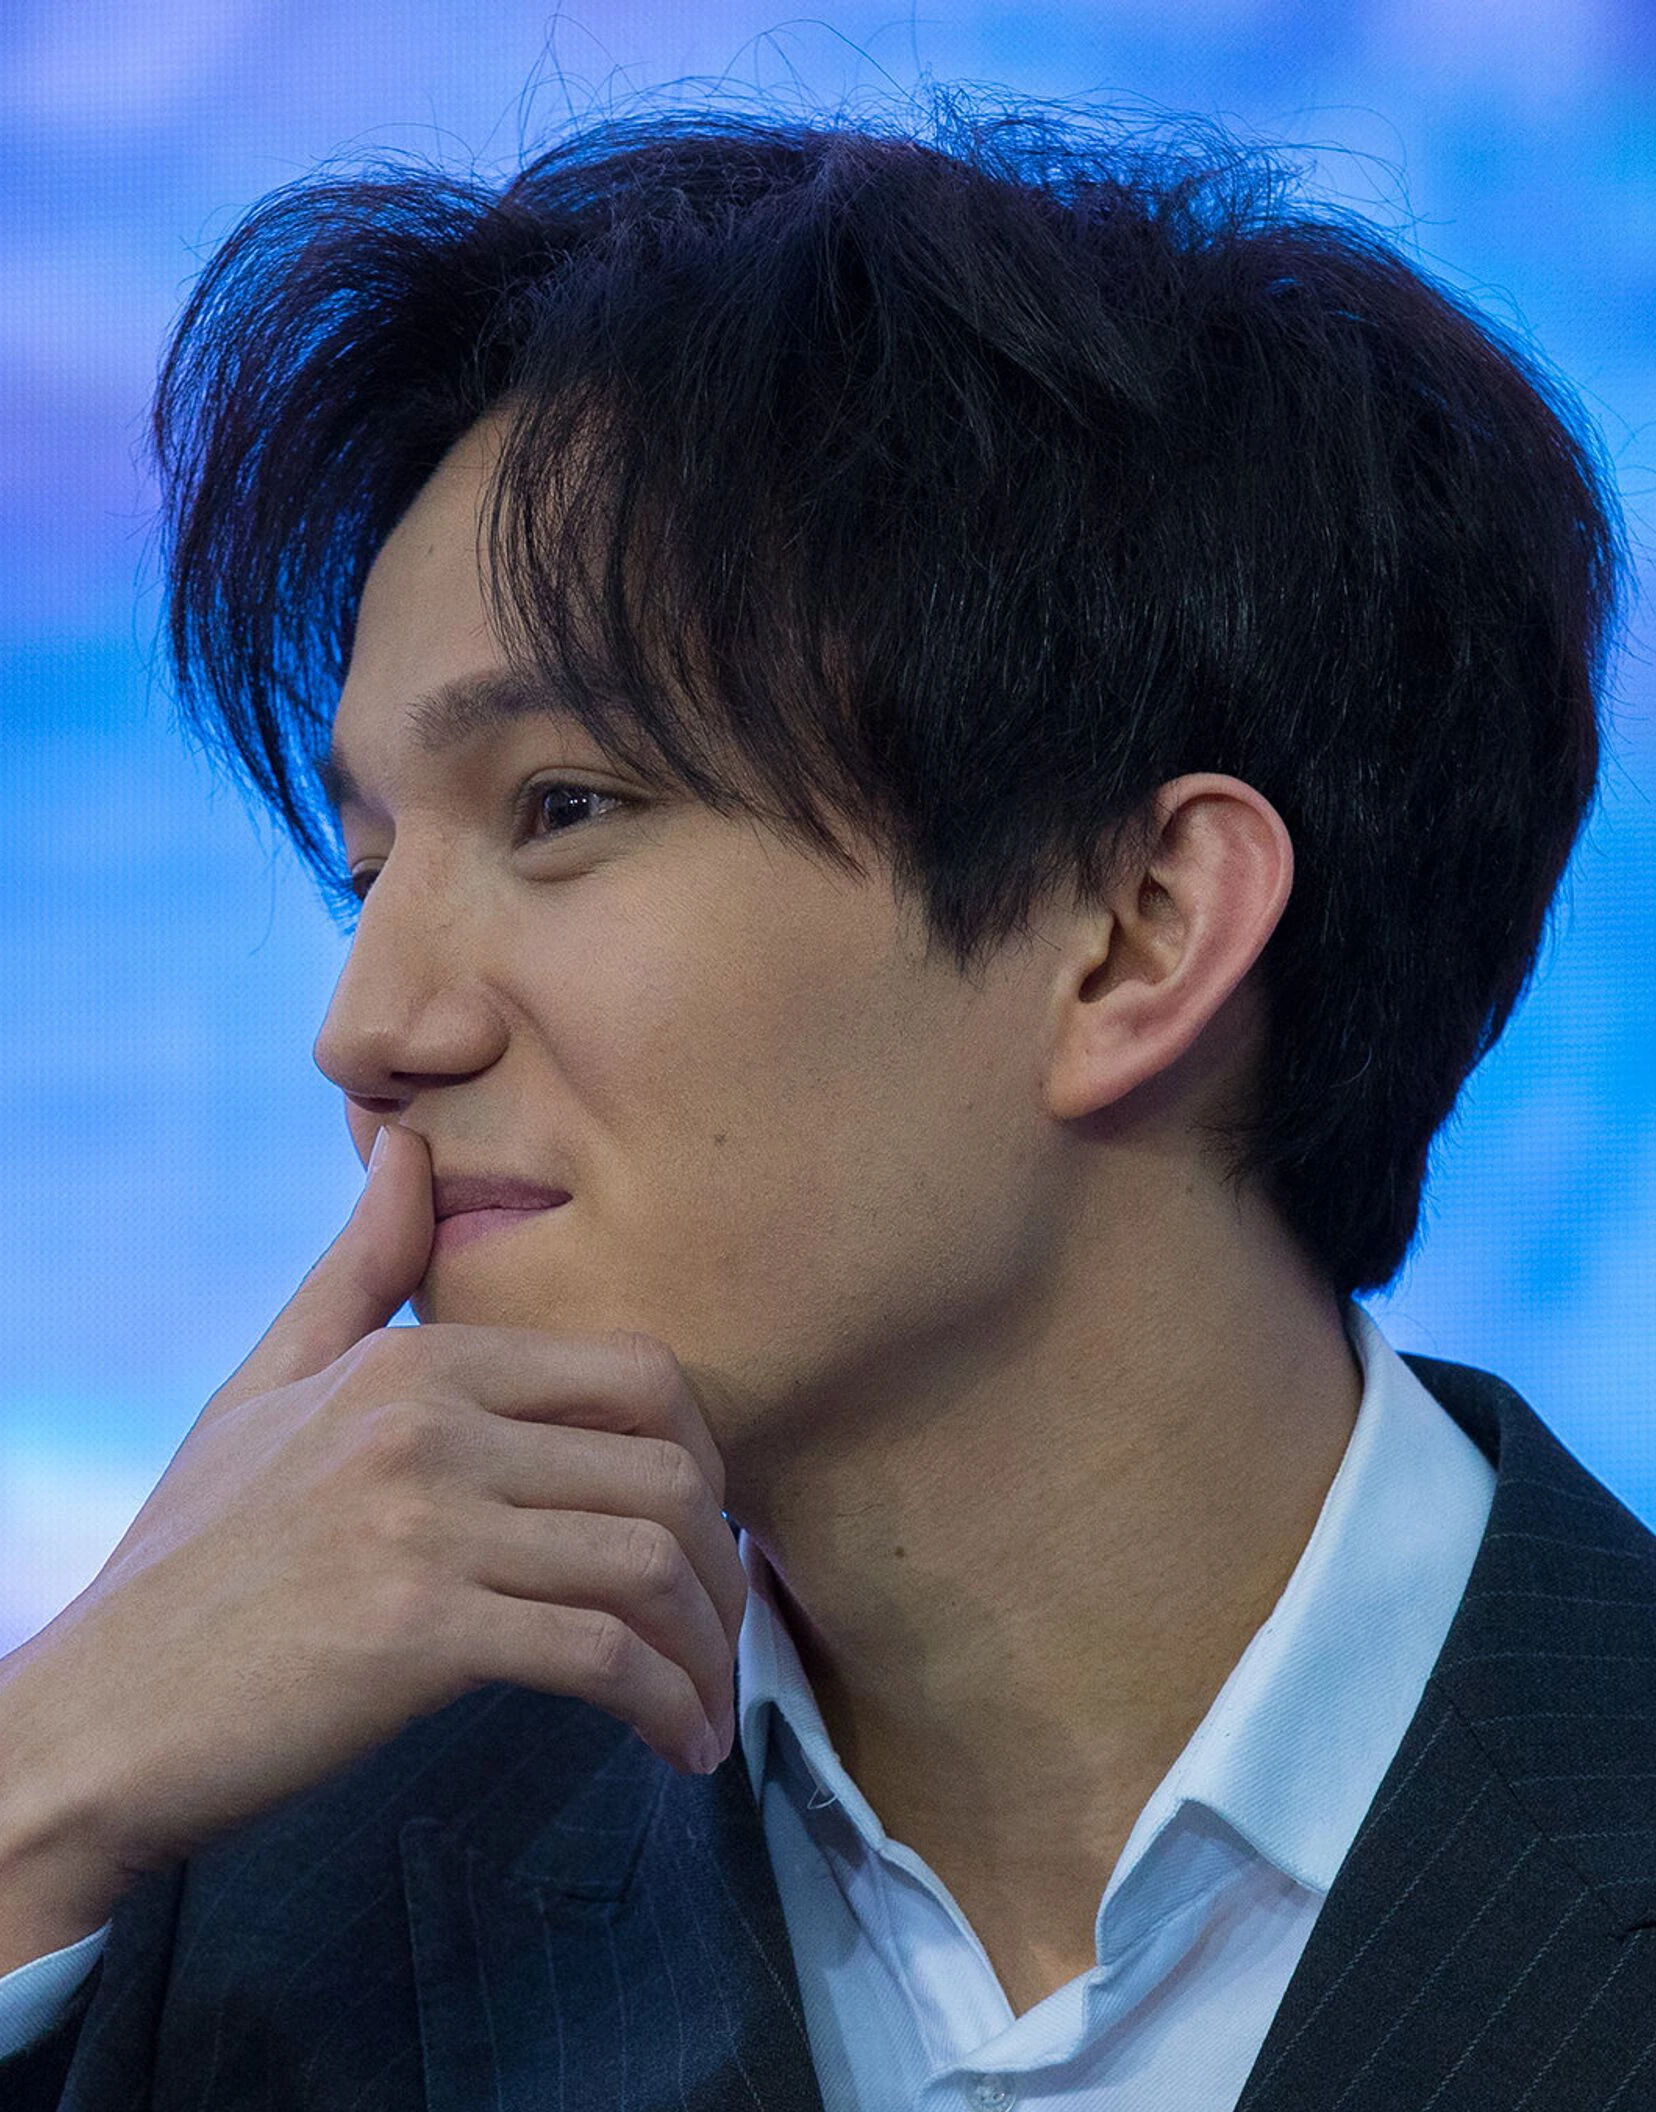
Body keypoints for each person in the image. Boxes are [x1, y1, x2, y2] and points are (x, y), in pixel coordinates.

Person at [0, 90, 1644, 2111]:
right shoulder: (232, 1895)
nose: (369, 1030)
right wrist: (35, 1783)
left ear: (1134, 933)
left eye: (561, 808)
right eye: (367, 871)